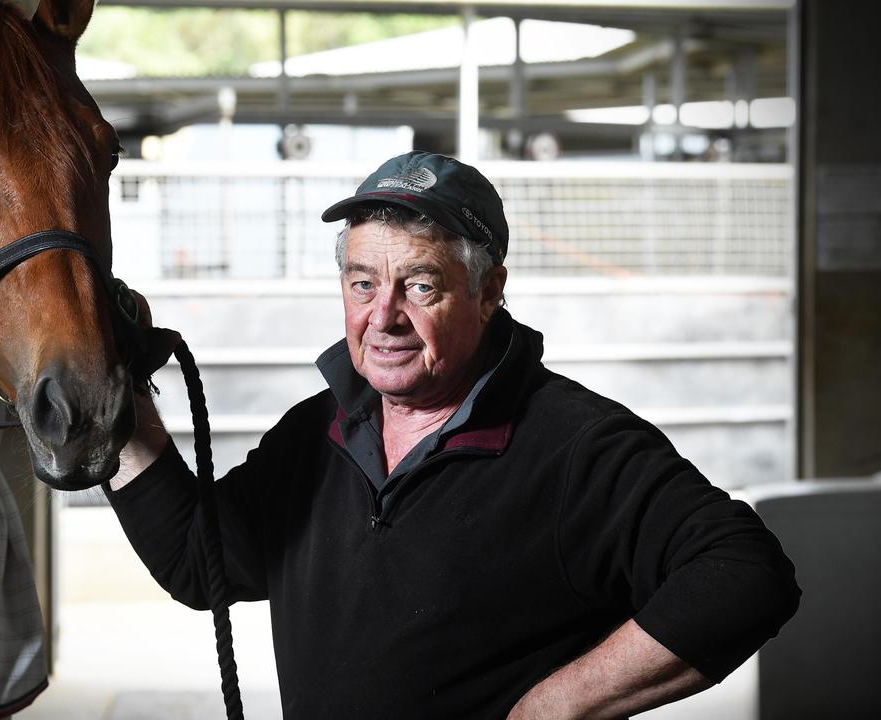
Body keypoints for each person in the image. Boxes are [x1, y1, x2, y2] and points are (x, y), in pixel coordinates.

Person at [108, 151, 800, 719]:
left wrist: (557, 706)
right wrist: (117, 395)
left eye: (420, 286)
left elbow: (745, 574)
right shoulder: (313, 436)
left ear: (488, 291)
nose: (383, 317)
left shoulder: (577, 448)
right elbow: (201, 565)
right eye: (361, 284)